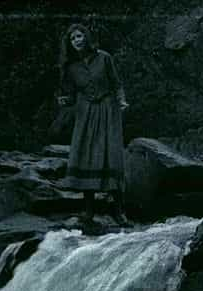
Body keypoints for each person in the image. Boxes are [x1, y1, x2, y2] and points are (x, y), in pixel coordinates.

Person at [57, 23, 129, 222]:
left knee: (111, 154)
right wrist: (64, 100)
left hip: (107, 109)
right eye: (72, 39)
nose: (76, 41)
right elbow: (69, 94)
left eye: (79, 36)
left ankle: (118, 211)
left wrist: (121, 100)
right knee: (85, 154)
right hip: (85, 112)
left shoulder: (104, 58)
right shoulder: (71, 67)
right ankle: (89, 211)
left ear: (86, 38)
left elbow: (116, 84)